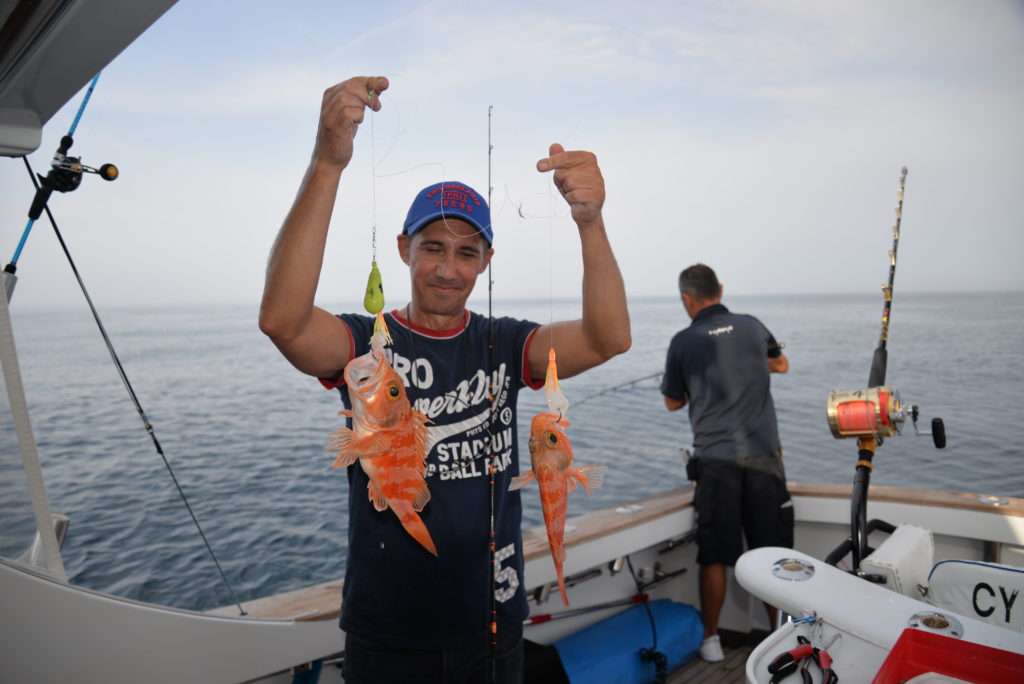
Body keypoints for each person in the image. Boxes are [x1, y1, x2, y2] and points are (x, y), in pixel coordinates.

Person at [259, 75, 630, 683]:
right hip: (388, 631)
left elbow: (607, 338)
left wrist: (590, 221)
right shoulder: (367, 347)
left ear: (486, 262)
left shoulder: (506, 344)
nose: (448, 270)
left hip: (494, 621)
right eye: (433, 248)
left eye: (466, 253)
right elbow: (283, 322)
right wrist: (327, 163)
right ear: (403, 248)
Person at [660, 263, 792, 663]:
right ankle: (783, 637)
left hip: (715, 463)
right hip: (765, 460)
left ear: (687, 299)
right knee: (772, 553)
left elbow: (672, 402)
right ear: (719, 289)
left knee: (714, 554)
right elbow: (781, 364)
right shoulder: (753, 326)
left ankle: (712, 640)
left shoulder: (683, 342)